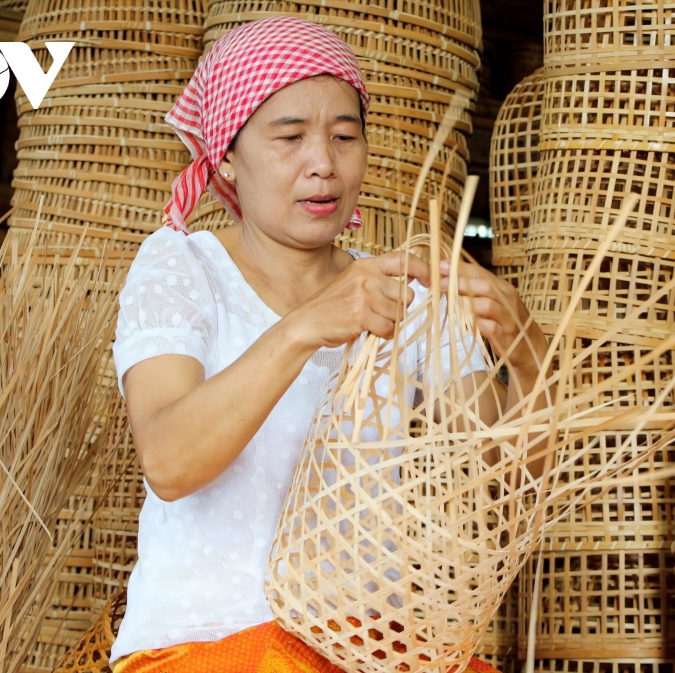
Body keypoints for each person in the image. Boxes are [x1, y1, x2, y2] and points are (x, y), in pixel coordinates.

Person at [109, 16, 551, 673]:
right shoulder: (183, 267)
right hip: (202, 644)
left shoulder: (403, 295)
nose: (323, 162)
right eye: (290, 137)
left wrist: (524, 347)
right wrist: (303, 327)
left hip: (366, 650)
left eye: (345, 136)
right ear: (226, 152)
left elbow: (501, 481)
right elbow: (169, 461)